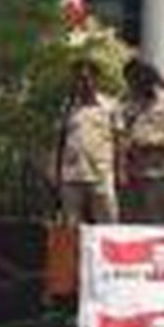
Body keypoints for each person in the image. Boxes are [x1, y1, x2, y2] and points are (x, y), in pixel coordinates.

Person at [120, 58, 164, 224]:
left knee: (162, 222)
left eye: (135, 80)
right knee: (133, 223)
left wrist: (151, 141)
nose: (133, 85)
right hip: (134, 173)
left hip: (161, 173)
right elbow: (121, 132)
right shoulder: (126, 102)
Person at [57, 61, 121, 224]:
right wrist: (54, 169)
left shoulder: (110, 106)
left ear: (96, 79)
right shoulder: (67, 106)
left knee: (107, 222)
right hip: (72, 175)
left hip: (100, 174)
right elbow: (60, 139)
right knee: (71, 225)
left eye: (86, 78)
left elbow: (120, 139)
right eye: (78, 78)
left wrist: (121, 169)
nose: (82, 82)